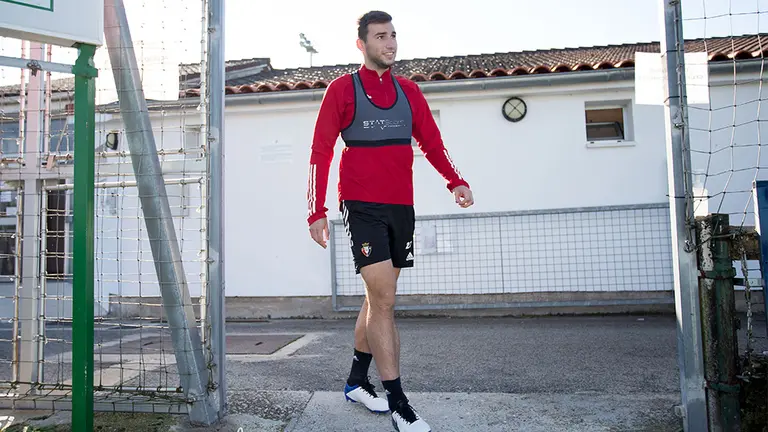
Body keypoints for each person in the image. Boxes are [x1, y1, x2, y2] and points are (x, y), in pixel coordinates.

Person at [306, 10, 473, 432]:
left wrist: (455, 180)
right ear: (361, 44)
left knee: (376, 298)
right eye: (380, 36)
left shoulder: (409, 92)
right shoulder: (342, 90)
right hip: (361, 206)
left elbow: (432, 142)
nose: (390, 43)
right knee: (383, 300)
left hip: (401, 207)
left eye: (393, 35)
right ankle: (399, 403)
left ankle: (356, 382)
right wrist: (316, 211)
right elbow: (320, 151)